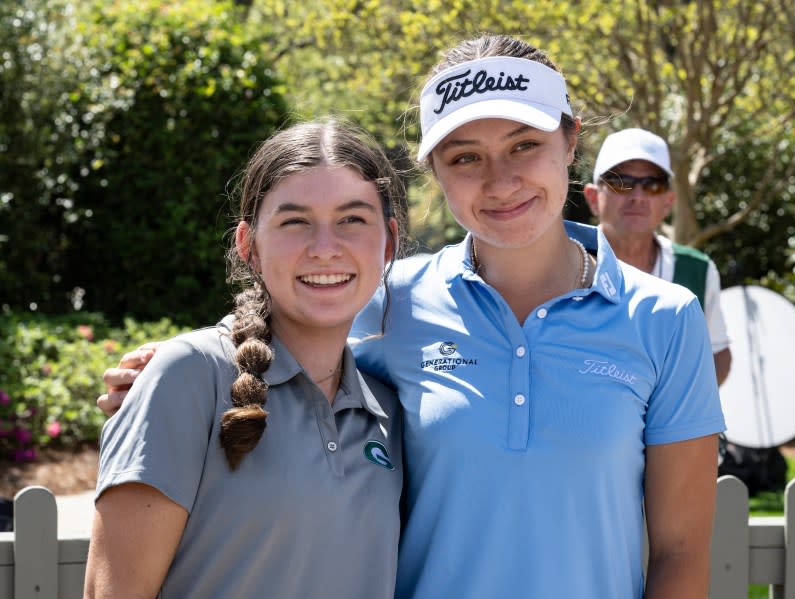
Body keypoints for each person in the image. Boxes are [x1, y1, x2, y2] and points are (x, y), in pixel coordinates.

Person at [98, 35, 725, 599]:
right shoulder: (387, 297)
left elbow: (680, 553)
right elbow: (285, 317)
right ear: (435, 174)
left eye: (524, 145)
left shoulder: (666, 318)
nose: (500, 181)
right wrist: (168, 378)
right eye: (464, 158)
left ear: (571, 139)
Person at [84, 120, 405, 599]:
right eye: (294, 221)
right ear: (248, 245)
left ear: (389, 242)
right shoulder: (188, 377)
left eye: (352, 219)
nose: (324, 248)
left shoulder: (387, 411)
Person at [583, 127, 733, 385]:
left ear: (668, 202)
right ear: (594, 198)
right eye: (621, 182)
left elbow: (718, 355)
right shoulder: (566, 262)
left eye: (652, 185)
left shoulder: (696, 269)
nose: (638, 197)